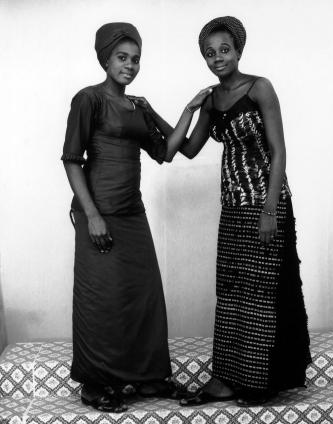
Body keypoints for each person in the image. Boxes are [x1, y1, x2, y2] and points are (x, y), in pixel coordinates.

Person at [62, 22, 210, 412]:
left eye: (136, 59)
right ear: (106, 60)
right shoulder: (88, 99)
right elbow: (72, 161)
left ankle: (146, 380)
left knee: (144, 296)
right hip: (100, 212)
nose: (130, 65)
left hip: (131, 213)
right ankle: (96, 384)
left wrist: (188, 110)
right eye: (122, 58)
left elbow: (166, 151)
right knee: (101, 300)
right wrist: (92, 214)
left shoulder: (138, 106)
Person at [164, 16, 312, 406]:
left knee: (262, 296)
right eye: (209, 54)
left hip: (266, 203)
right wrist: (191, 107)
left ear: (238, 50)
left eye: (224, 50)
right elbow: (188, 148)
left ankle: (261, 382)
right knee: (231, 294)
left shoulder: (259, 88)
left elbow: (279, 150)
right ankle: (226, 380)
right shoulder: (212, 99)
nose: (218, 59)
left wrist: (269, 211)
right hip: (232, 208)